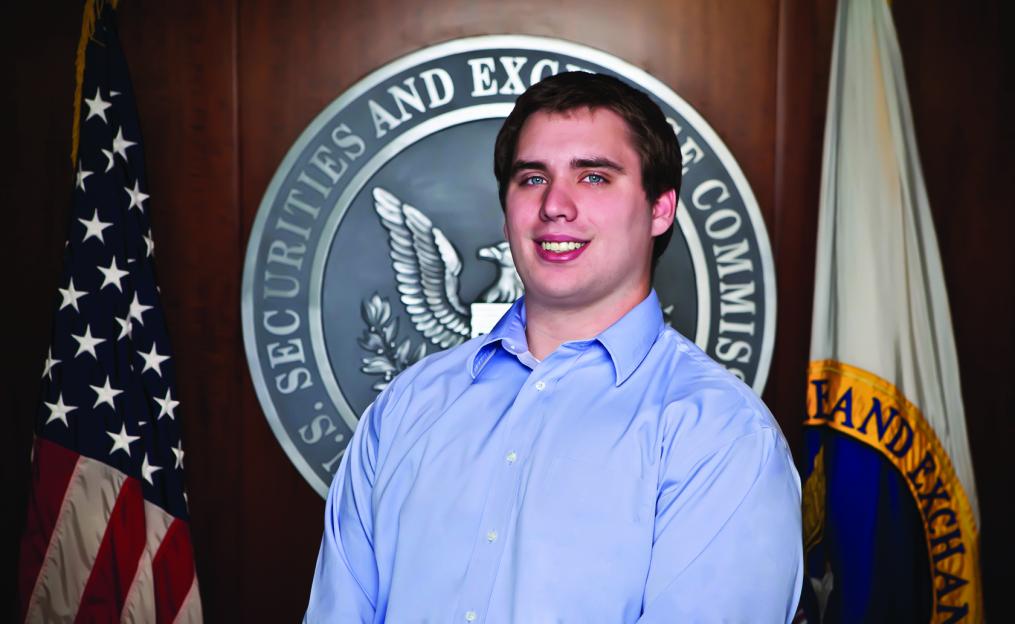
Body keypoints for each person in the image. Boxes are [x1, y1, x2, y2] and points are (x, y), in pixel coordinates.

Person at [305, 72, 803, 623]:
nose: (555, 206)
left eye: (593, 177)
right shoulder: (405, 408)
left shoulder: (721, 437)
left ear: (661, 208)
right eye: (532, 178)